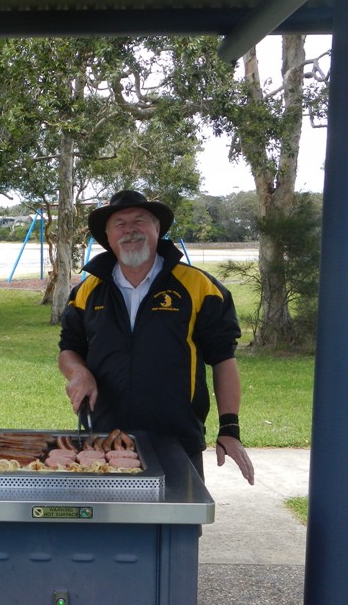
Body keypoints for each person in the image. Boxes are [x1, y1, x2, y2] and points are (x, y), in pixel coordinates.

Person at [57, 190, 254, 484]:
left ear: (157, 229)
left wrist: (230, 428)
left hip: (176, 439)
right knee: (109, 528)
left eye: (140, 220)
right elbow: (68, 349)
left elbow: (223, 358)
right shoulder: (87, 291)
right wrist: (79, 372)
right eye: (120, 224)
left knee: (176, 529)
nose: (130, 230)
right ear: (108, 237)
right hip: (105, 441)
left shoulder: (200, 287)